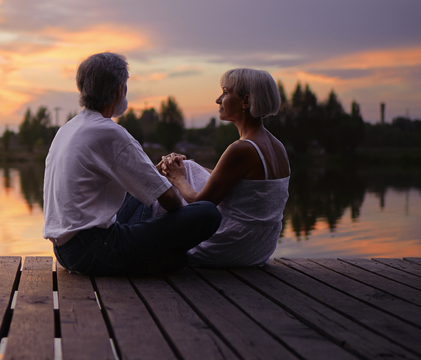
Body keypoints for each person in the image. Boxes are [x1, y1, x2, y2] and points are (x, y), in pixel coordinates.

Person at [43, 52, 222, 276]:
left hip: (64, 250)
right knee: (207, 213)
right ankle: (148, 260)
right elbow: (170, 201)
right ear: (119, 90)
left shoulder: (68, 129)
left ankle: (150, 258)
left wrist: (153, 176)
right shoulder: (110, 132)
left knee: (143, 196)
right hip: (96, 248)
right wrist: (177, 196)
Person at [157, 68, 290, 267]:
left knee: (164, 182)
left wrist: (177, 177)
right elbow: (241, 185)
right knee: (189, 166)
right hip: (258, 249)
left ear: (245, 101)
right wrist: (187, 168)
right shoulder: (276, 146)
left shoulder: (242, 149)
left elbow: (201, 204)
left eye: (226, 93)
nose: (219, 100)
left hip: (229, 247)